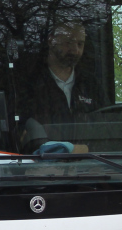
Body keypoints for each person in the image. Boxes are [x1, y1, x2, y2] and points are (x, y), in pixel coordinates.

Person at [17, 21, 109, 150]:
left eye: (80, 44)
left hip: (90, 164)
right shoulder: (29, 83)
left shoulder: (90, 85)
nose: (75, 50)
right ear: (51, 41)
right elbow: (19, 133)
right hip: (41, 165)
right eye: (68, 42)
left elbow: (105, 129)